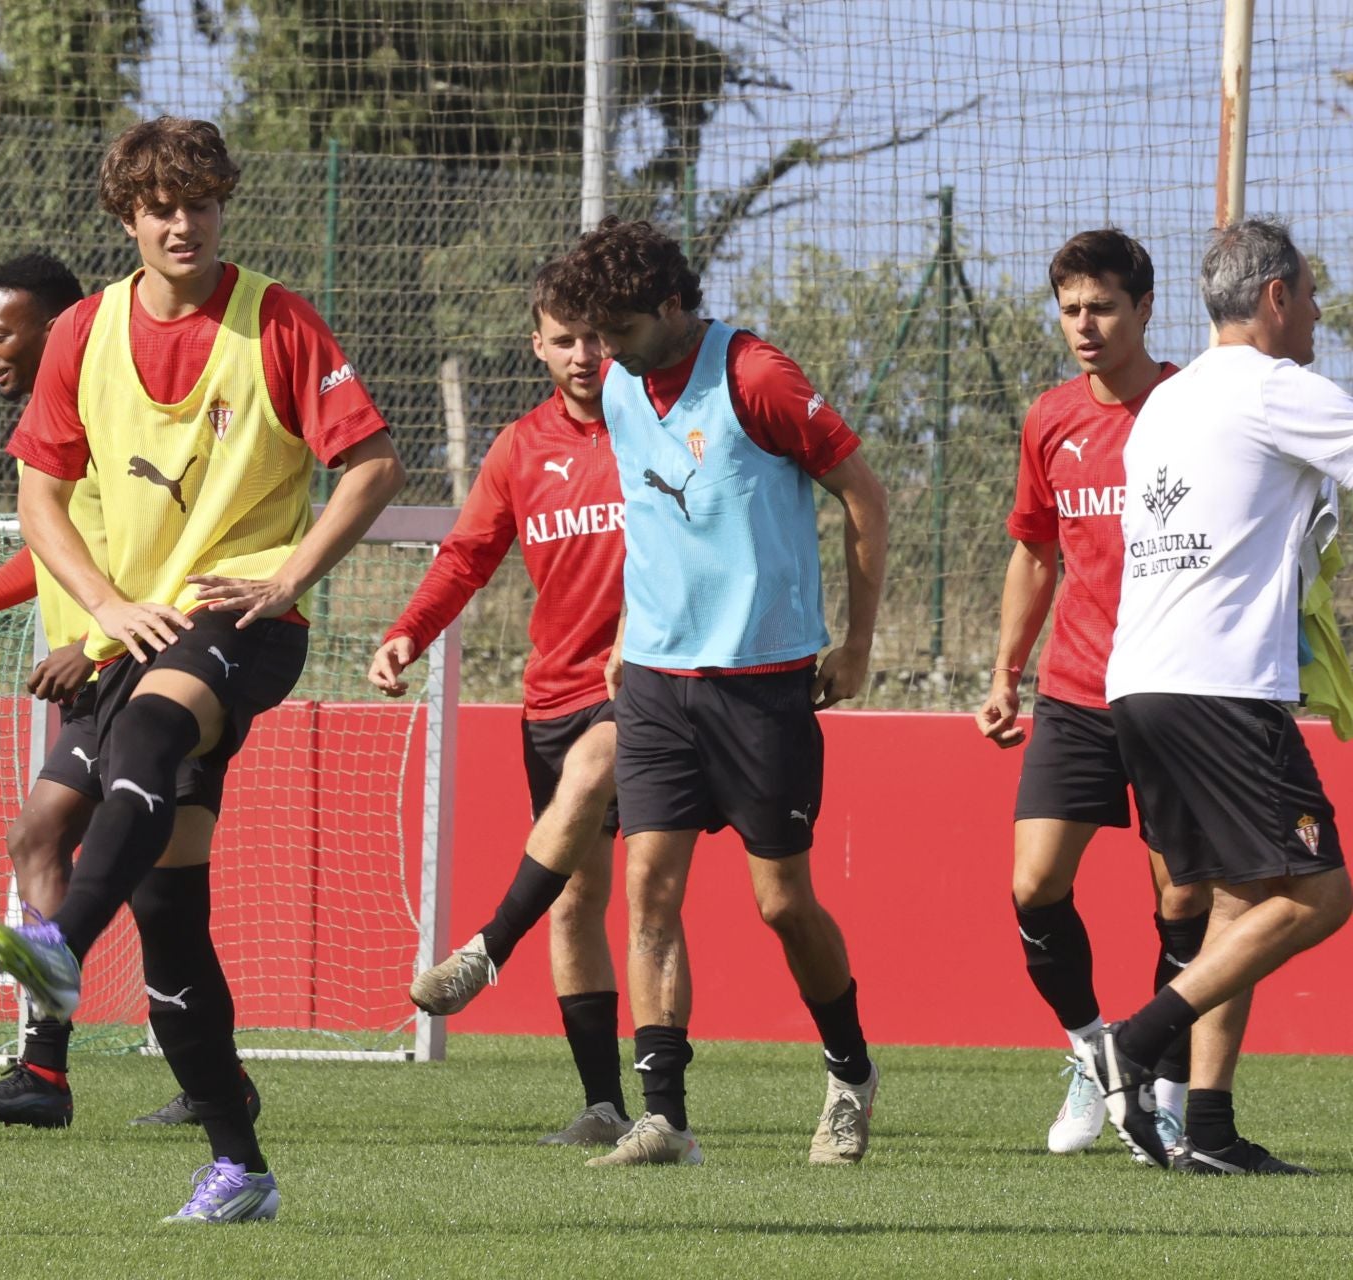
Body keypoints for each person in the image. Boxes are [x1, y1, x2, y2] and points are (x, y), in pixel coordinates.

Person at [0, 116, 404, 1222]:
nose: (183, 221)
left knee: (154, 736)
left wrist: (288, 573)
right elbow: (39, 492)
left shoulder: (278, 321)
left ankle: (61, 943)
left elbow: (370, 463)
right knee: (171, 919)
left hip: (244, 617)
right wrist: (108, 606)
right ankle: (240, 1163)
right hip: (142, 633)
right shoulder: (82, 330)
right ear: (127, 216)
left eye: (201, 202)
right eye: (161, 205)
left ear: (222, 207)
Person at [545, 217, 889, 1167]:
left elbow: (865, 495)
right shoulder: (618, 385)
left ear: (671, 306)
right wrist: (625, 633)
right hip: (656, 682)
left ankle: (850, 1069)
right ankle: (666, 1118)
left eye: (617, 326)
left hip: (762, 684)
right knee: (650, 891)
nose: (600, 350)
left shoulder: (757, 378)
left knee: (782, 904)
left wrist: (856, 645)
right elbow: (654, 519)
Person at [0, 253, 261, 1132]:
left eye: (2, 331)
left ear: (60, 327)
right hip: (107, 672)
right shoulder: (61, 422)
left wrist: (91, 647)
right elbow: (49, 543)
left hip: (149, 670)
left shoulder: (107, 418)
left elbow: (136, 561)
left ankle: (56, 1067)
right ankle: (118, 1074)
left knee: (91, 859)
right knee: (149, 893)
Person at [1089, 218, 1353, 1174]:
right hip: (1218, 687)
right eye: (1314, 293)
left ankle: (1207, 1129)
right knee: (1323, 894)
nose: (1322, 312)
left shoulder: (1167, 401)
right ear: (1276, 297)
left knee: (1244, 902)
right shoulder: (1279, 389)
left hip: (1144, 684)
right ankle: (1136, 1039)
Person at [371, 261, 629, 1147]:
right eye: (565, 339)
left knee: (609, 783)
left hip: (649, 690)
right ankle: (605, 1105)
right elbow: (466, 556)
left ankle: (486, 948)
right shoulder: (522, 448)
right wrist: (409, 631)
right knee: (576, 902)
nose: (584, 353)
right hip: (550, 697)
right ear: (539, 348)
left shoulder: (660, 430)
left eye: (596, 335)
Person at [973, 229, 1209, 1157]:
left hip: (1178, 691)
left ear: (1146, 310)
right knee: (1034, 885)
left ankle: (1165, 1080)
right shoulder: (1050, 419)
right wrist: (1005, 674)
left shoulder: (1192, 409)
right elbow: (1033, 550)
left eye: (1102, 307)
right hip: (1074, 689)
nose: (1084, 325)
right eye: (1070, 308)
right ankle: (1092, 1052)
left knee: (1184, 901)